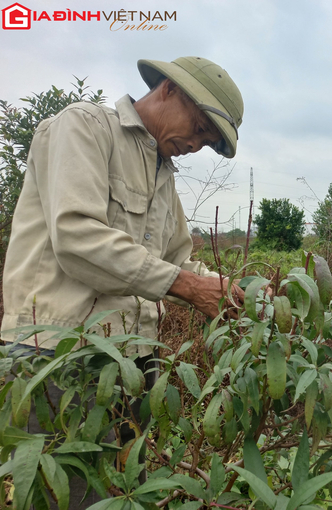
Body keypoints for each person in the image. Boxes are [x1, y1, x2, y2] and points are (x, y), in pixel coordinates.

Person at [1, 56, 246, 508]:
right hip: (57, 356)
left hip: (132, 361)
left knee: (115, 492)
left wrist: (236, 290)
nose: (195, 144)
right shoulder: (84, 128)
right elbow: (77, 237)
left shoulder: (162, 174)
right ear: (168, 89)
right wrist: (186, 287)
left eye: (206, 142)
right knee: (58, 498)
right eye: (198, 128)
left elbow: (177, 261)